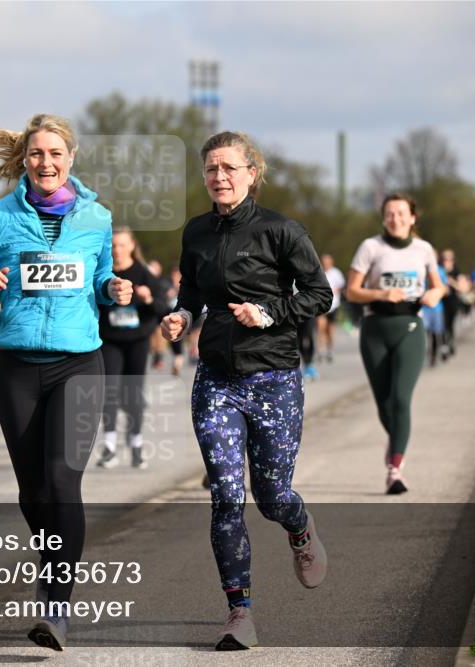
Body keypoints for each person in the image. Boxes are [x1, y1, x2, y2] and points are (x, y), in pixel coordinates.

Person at [0, 113, 132, 651]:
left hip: (79, 363)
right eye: (37, 154)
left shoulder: (97, 218)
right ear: (24, 160)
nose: (46, 162)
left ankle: (55, 606)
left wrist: (113, 289)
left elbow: (100, 278)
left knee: (61, 482)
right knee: (33, 493)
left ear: (71, 158)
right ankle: (56, 556)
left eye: (56, 154)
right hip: (17, 367)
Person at [160, 131, 332, 651]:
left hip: (274, 377)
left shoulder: (282, 230)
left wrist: (270, 312)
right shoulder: (196, 233)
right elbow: (191, 289)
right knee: (227, 496)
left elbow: (321, 294)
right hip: (216, 378)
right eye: (211, 169)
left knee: (271, 495)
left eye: (230, 168)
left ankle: (299, 528)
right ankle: (240, 613)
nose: (220, 177)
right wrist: (181, 315)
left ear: (252, 173)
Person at [346, 193, 446, 494]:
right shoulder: (370, 247)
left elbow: (439, 284)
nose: (395, 218)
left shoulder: (424, 249)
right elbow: (352, 291)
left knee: (402, 398)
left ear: (413, 217)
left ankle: (395, 468)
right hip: (375, 328)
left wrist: (435, 295)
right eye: (390, 213)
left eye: (401, 213)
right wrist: (379, 294)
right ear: (383, 217)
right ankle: (398, 443)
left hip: (410, 327)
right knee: (384, 404)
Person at [96, 227, 168, 470]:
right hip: (110, 340)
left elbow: (162, 309)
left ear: (132, 246)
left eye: (122, 245)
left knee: (134, 394)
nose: (117, 250)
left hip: (138, 340)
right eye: (113, 245)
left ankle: (136, 445)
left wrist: (147, 299)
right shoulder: (103, 273)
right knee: (110, 391)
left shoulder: (143, 273)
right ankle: (109, 447)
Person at [317, 253, 346, 364]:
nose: (325, 264)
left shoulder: (336, 273)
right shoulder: (319, 271)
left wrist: (334, 290)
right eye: (324, 262)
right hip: (321, 305)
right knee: (321, 327)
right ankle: (320, 350)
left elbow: (342, 286)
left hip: (333, 305)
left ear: (331, 262)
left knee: (330, 330)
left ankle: (330, 350)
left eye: (327, 262)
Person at [421, 264, 449, 367]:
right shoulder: (418, 267)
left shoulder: (440, 270)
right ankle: (424, 356)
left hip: (436, 307)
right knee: (424, 333)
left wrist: (437, 289)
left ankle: (434, 356)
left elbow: (446, 289)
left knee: (435, 333)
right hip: (422, 308)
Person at [439, 249, 464, 357]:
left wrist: (450, 280)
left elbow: (461, 288)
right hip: (441, 302)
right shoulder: (438, 270)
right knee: (443, 324)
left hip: (453, 302)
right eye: (445, 258)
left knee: (451, 324)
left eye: (449, 259)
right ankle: (444, 345)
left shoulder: (456, 271)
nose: (447, 261)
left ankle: (451, 342)